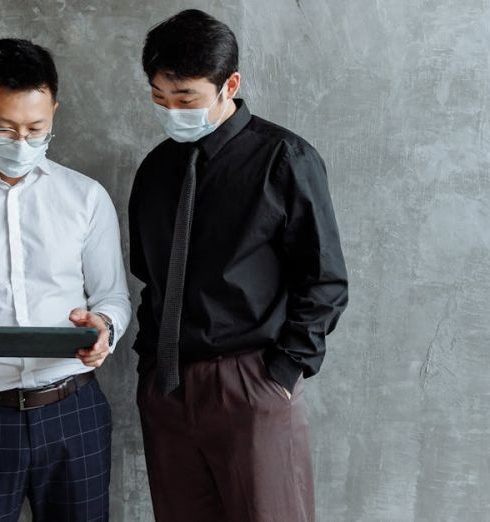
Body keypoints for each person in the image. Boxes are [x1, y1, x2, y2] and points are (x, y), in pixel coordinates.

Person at [129, 9, 348, 522]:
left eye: (186, 99)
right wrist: (149, 369)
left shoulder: (285, 159)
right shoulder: (157, 169)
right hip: (168, 387)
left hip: (252, 383)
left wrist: (281, 373)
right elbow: (151, 278)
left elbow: (325, 281)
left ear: (230, 84)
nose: (171, 110)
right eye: (160, 97)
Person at [0, 39, 131, 522]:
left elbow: (112, 295)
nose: (21, 143)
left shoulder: (85, 197)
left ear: (53, 109)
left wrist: (104, 328)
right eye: (5, 128)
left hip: (70, 409)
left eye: (36, 128)